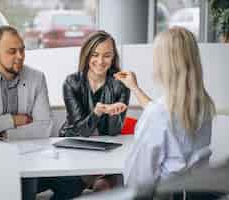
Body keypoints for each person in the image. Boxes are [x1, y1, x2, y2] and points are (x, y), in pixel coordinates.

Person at [114, 27, 216, 190]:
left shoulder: (158, 114)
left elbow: (138, 181)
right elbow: (166, 118)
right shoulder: (203, 105)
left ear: (164, 64)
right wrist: (135, 88)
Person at [37, 30, 130, 199]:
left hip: (105, 153)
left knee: (104, 187)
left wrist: (114, 112)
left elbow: (113, 133)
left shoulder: (121, 84)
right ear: (87, 55)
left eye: (107, 55)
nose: (100, 61)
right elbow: (81, 131)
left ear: (113, 57)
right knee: (68, 185)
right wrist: (97, 112)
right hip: (74, 146)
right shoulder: (72, 82)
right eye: (95, 55)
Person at [0, 25, 52, 200]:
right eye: (12, 51)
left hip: (27, 160)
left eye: (22, 50)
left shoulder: (37, 78)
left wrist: (2, 133)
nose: (20, 56)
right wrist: (11, 120)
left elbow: (44, 127)